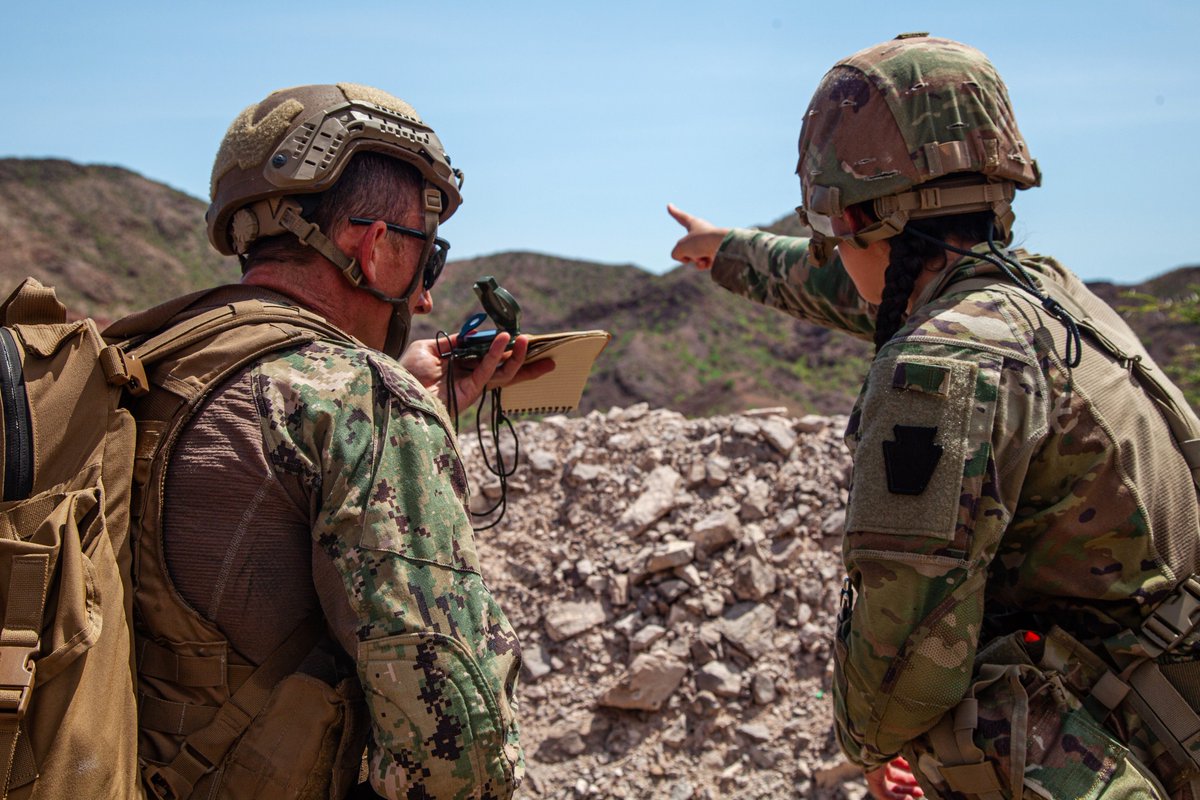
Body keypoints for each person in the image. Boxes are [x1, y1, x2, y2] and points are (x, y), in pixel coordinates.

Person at [670, 35, 1200, 800]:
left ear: (849, 217)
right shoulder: (1051, 299)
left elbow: (900, 658)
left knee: (952, 720)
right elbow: (860, 282)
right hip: (1169, 702)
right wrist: (725, 249)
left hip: (1145, 750)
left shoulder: (943, 364)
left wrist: (886, 744)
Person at [122, 83, 549, 799]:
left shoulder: (148, 361)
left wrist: (421, 401)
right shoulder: (362, 403)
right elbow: (458, 758)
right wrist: (396, 408)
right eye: (428, 259)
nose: (426, 300)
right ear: (378, 246)